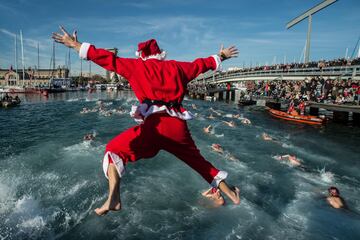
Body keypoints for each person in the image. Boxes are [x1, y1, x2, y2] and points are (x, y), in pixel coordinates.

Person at [52, 26, 240, 215]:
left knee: (114, 150)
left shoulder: (136, 66)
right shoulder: (177, 67)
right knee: (201, 164)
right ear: (160, 55)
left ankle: (114, 197)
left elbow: (106, 58)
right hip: (178, 129)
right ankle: (231, 194)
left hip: (153, 128)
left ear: (141, 54)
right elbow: (201, 64)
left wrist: (75, 44)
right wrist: (221, 55)